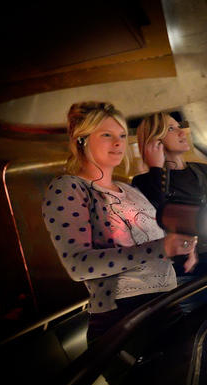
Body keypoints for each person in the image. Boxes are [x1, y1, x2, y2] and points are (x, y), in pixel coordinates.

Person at [42, 102, 198, 345]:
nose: (118, 143)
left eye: (122, 136)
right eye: (107, 135)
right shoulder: (69, 187)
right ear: (81, 140)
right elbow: (78, 265)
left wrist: (181, 245)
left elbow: (154, 242)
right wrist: (161, 248)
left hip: (168, 304)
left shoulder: (130, 189)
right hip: (122, 321)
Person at [132, 112, 207, 312]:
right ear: (155, 141)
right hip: (192, 273)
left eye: (178, 126)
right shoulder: (145, 182)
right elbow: (160, 216)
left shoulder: (203, 170)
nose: (182, 132)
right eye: (171, 129)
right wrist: (156, 169)